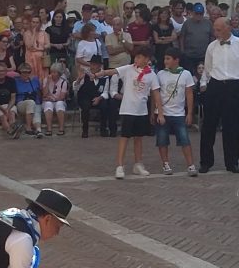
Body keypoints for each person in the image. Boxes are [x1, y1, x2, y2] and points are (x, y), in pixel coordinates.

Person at [96, 45, 161, 178]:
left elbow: (156, 94)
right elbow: (113, 71)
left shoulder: (151, 75)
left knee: (139, 138)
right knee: (124, 137)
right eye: (135, 57)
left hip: (141, 111)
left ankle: (138, 164)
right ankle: (120, 166)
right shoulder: (128, 69)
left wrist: (159, 112)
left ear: (146, 59)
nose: (136, 59)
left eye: (139, 57)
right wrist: (100, 73)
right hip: (128, 109)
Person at [199, 18, 239, 174]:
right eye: (215, 29)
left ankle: (232, 162)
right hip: (215, 85)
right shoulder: (211, 47)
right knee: (208, 126)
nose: (216, 33)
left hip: (234, 87)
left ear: (228, 28)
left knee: (232, 126)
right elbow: (207, 69)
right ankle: (206, 162)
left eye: (218, 30)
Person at [154, 48, 197, 176]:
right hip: (163, 112)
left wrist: (189, 113)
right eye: (165, 58)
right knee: (162, 140)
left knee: (185, 139)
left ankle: (190, 164)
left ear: (176, 60)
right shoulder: (160, 74)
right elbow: (156, 94)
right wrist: (155, 112)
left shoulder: (186, 74)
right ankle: (165, 164)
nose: (165, 61)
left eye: (168, 58)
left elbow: (189, 94)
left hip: (178, 113)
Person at [74, 54, 110, 138]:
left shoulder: (105, 76)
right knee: (85, 106)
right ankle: (85, 130)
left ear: (99, 66)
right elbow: (75, 88)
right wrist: (79, 79)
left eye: (94, 65)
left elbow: (105, 92)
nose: (92, 67)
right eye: (91, 64)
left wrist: (99, 98)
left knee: (104, 105)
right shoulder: (85, 74)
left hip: (98, 97)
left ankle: (103, 129)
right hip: (85, 97)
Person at [179, 3, 213, 73]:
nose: (198, 15)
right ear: (193, 13)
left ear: (203, 13)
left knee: (203, 74)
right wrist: (182, 51)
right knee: (189, 74)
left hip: (204, 55)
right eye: (197, 13)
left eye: (200, 14)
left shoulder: (208, 23)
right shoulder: (187, 23)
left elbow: (212, 36)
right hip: (189, 55)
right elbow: (182, 37)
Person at [13, 63, 43, 138]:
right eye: (24, 72)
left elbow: (39, 92)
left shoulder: (35, 80)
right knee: (31, 103)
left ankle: (38, 130)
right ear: (20, 72)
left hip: (34, 102)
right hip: (21, 103)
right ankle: (28, 127)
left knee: (36, 109)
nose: (26, 74)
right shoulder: (16, 81)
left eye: (28, 72)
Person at [42, 63, 67, 135]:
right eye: (52, 72)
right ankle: (49, 129)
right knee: (48, 104)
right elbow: (44, 94)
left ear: (59, 73)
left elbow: (62, 97)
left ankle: (61, 128)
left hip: (59, 101)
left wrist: (53, 99)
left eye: (54, 72)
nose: (52, 74)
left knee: (59, 104)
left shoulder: (63, 82)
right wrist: (47, 83)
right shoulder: (46, 80)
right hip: (48, 101)